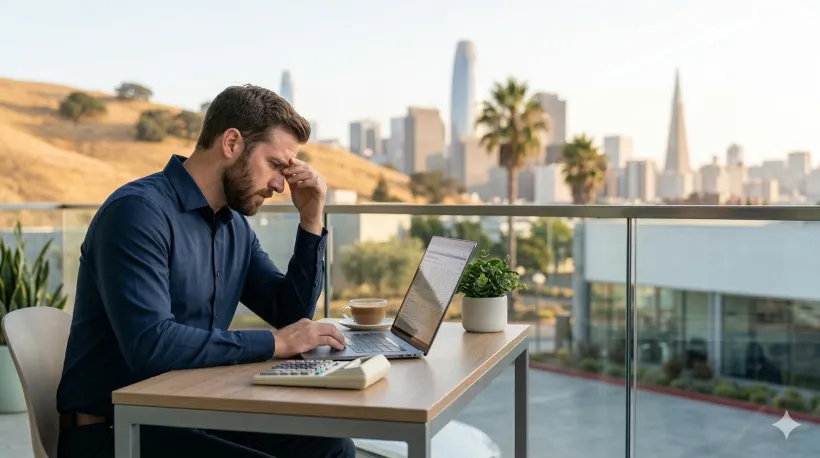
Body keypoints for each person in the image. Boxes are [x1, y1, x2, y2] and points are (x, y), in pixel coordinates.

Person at [56, 84, 355, 458]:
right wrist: (277, 343)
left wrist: (311, 218)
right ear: (231, 143)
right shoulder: (137, 213)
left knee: (332, 447)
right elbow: (152, 344)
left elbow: (291, 315)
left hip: (187, 412)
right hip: (115, 432)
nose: (281, 185)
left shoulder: (233, 227)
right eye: (276, 165)